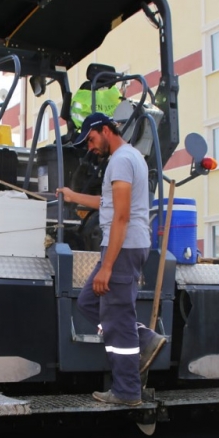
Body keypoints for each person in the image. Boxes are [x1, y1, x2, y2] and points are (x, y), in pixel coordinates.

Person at [56, 113, 166, 406]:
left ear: (105, 130)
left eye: (91, 139)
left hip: (123, 249)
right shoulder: (130, 158)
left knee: (118, 321)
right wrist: (72, 196)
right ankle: (144, 339)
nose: (90, 147)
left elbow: (121, 216)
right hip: (122, 247)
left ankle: (127, 391)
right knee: (89, 302)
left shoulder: (120, 161)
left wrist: (107, 267)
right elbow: (108, 204)